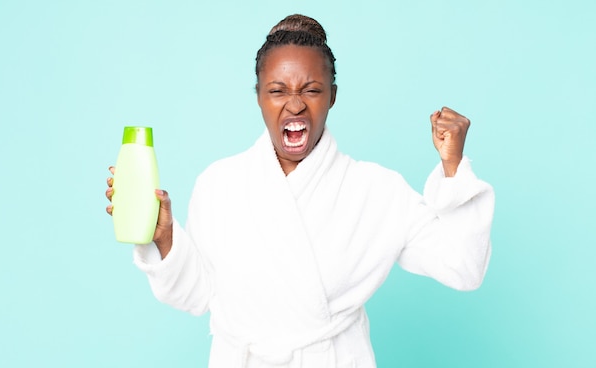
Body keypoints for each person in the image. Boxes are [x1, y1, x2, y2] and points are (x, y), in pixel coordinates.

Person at [105, 14, 494, 368]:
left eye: (311, 90)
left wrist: (453, 166)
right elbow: (196, 296)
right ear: (258, 95)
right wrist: (166, 238)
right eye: (277, 91)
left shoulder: (377, 191)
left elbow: (464, 268)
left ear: (332, 96)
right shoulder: (219, 184)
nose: (295, 105)